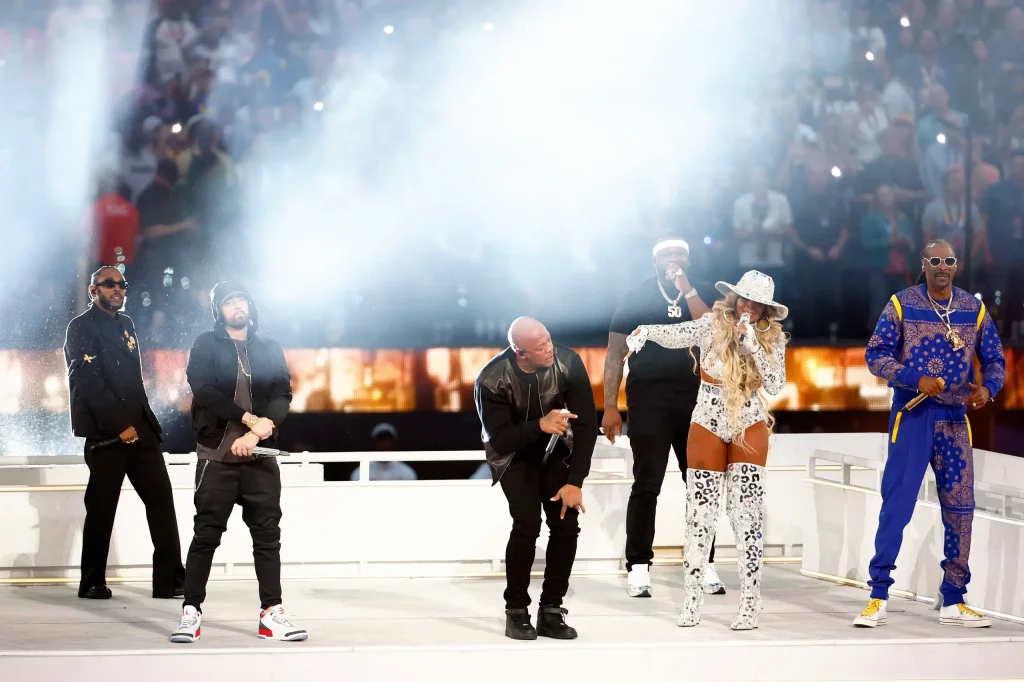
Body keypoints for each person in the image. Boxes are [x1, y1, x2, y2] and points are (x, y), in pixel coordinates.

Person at [854, 240, 1005, 628]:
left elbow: (995, 359)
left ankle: (953, 598)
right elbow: (876, 355)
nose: (942, 265)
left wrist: (989, 389)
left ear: (957, 266)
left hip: (955, 421)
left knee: (961, 509)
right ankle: (878, 595)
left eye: (948, 260)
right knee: (898, 506)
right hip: (912, 416)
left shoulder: (973, 308)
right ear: (923, 264)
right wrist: (914, 378)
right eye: (935, 260)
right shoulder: (902, 303)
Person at [628, 270, 788, 630]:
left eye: (757, 303)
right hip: (707, 418)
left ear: (766, 309)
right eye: (744, 299)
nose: (748, 307)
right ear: (734, 298)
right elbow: (677, 333)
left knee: (746, 516)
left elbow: (776, 384)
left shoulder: (772, 337)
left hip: (748, 419)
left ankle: (750, 603)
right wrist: (647, 331)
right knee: (700, 515)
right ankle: (692, 601)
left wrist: (753, 346)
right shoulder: (710, 325)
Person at [171, 281, 307, 643]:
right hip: (217, 456)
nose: (237, 307)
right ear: (219, 310)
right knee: (206, 535)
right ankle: (191, 612)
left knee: (267, 537)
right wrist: (248, 420)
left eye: (242, 300)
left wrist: (258, 433)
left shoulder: (269, 348)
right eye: (229, 302)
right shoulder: (206, 344)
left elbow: (282, 393)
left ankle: (271, 614)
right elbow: (204, 390)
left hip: (260, 456)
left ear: (250, 305)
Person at [604, 237, 725, 599]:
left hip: (696, 399)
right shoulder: (635, 297)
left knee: (700, 482)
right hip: (648, 399)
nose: (675, 259)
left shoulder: (700, 291)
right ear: (654, 261)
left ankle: (704, 561)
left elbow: (715, 331)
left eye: (681, 254)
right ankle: (639, 565)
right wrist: (609, 406)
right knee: (647, 482)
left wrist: (687, 289)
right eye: (668, 255)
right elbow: (614, 354)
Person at [63, 266, 185, 600]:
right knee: (102, 510)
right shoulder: (80, 327)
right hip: (108, 435)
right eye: (109, 284)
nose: (118, 289)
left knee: (162, 503)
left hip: (142, 429)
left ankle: (170, 580)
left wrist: (141, 424)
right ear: (93, 291)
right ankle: (92, 581)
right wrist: (120, 426)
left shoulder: (127, 323)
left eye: (122, 284)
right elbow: (88, 383)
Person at [474, 317, 598, 641]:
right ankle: (516, 611)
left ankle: (552, 610)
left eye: (549, 340)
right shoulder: (491, 379)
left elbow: (586, 425)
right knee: (527, 524)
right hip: (513, 457)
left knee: (565, 524)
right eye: (540, 347)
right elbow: (500, 440)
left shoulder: (568, 362)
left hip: (555, 449)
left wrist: (576, 481)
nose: (549, 349)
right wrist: (539, 425)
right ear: (520, 352)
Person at [350, 423, 418, 481]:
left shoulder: (407, 473)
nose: (385, 445)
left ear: (394, 444)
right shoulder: (360, 473)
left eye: (388, 441)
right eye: (381, 441)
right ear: (374, 444)